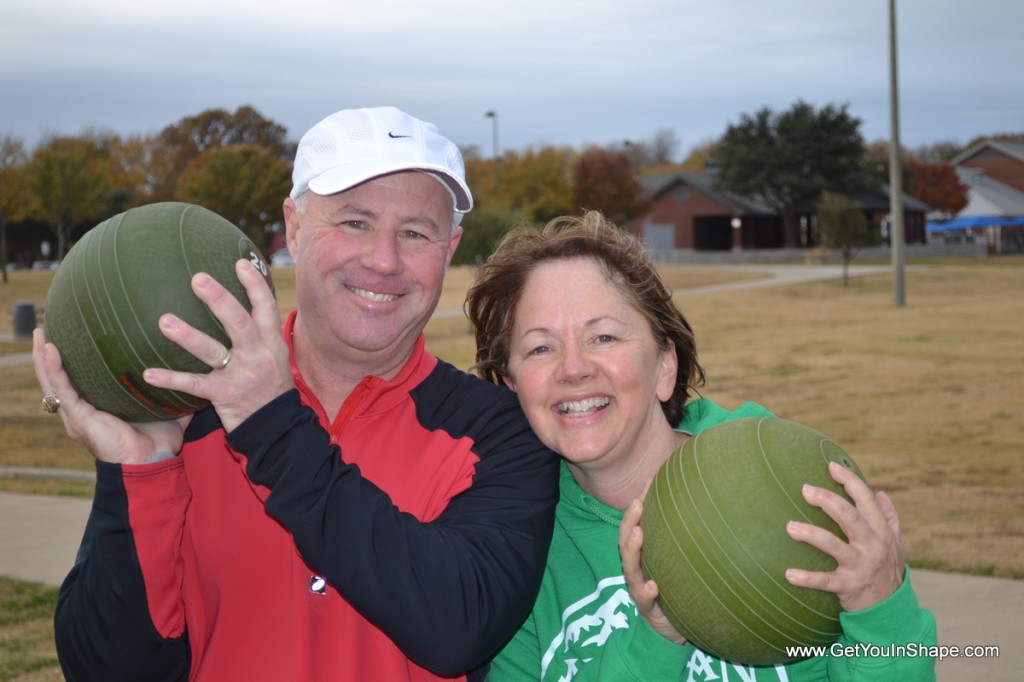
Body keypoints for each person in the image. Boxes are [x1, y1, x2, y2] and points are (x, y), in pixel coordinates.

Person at [33, 106, 560, 682]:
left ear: (450, 248)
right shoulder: (190, 414)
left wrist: (271, 427)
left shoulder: (498, 432)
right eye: (354, 222)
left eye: (415, 233)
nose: (383, 260)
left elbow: (458, 627)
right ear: (294, 226)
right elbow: (107, 669)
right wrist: (137, 471)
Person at [464, 211, 937, 681]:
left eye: (603, 336)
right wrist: (654, 639)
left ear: (665, 366)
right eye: (540, 348)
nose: (573, 369)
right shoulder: (515, 550)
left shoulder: (783, 484)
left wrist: (880, 608)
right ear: (512, 384)